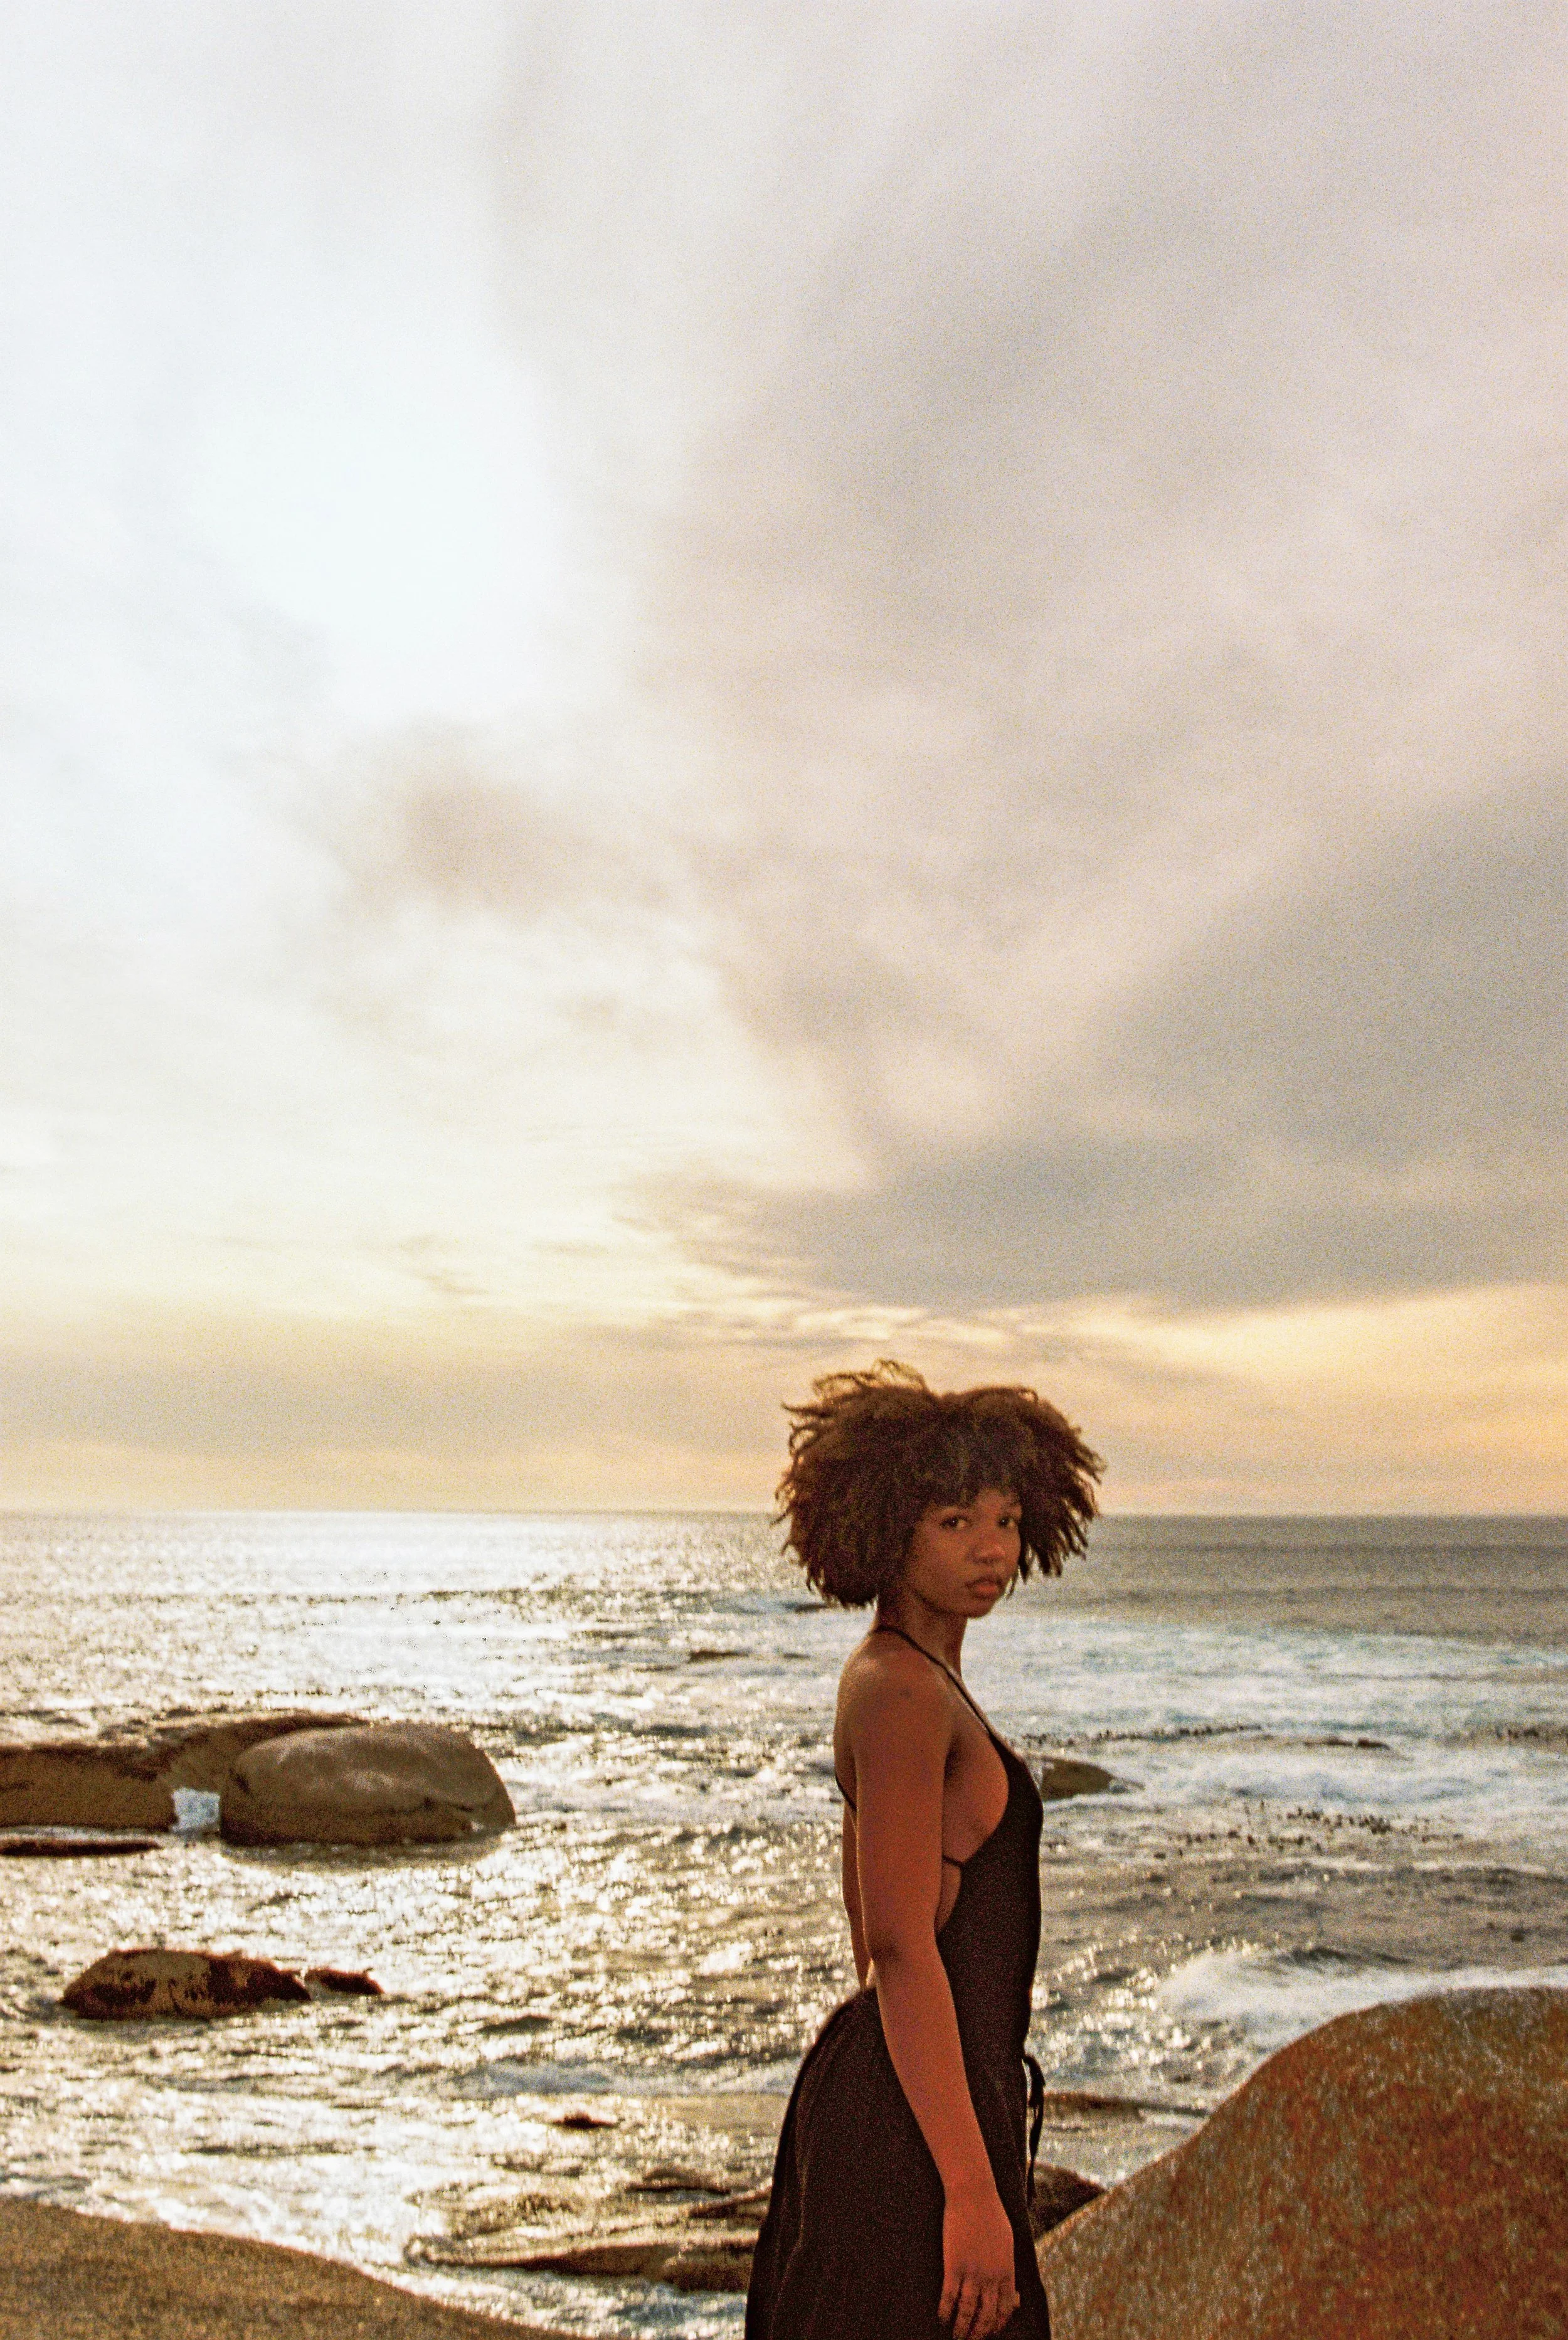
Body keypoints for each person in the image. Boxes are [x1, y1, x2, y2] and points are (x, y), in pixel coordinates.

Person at [744, 1361, 1101, 2340]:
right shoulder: (902, 1692)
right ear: (888, 1527)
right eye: (955, 1523)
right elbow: (898, 1948)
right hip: (912, 2127)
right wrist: (973, 2195)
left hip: (914, 2098)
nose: (991, 1548)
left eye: (1006, 1520)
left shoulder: (902, 1677)